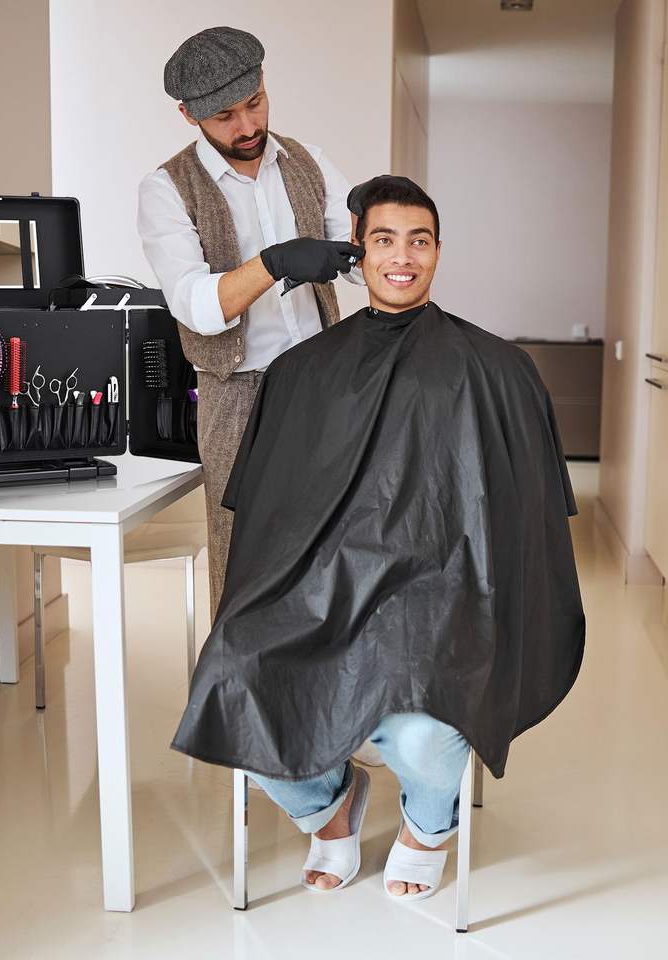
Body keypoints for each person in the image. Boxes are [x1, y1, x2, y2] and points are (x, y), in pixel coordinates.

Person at [171, 176, 585, 900]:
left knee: (428, 728)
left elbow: (526, 521)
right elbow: (269, 523)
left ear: (438, 252)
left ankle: (427, 826)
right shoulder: (301, 373)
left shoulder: (497, 370)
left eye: (418, 241)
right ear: (358, 252)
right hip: (324, 591)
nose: (402, 257)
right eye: (384, 240)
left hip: (442, 594)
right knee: (232, 680)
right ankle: (330, 812)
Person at [137, 25, 364, 621]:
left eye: (254, 103)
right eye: (224, 117)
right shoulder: (166, 190)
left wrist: (380, 245)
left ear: (264, 82)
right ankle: (239, 680)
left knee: (332, 548)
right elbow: (195, 306)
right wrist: (274, 263)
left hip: (323, 385)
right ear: (189, 115)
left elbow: (359, 259)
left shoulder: (309, 163)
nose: (246, 126)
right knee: (244, 562)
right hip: (235, 398)